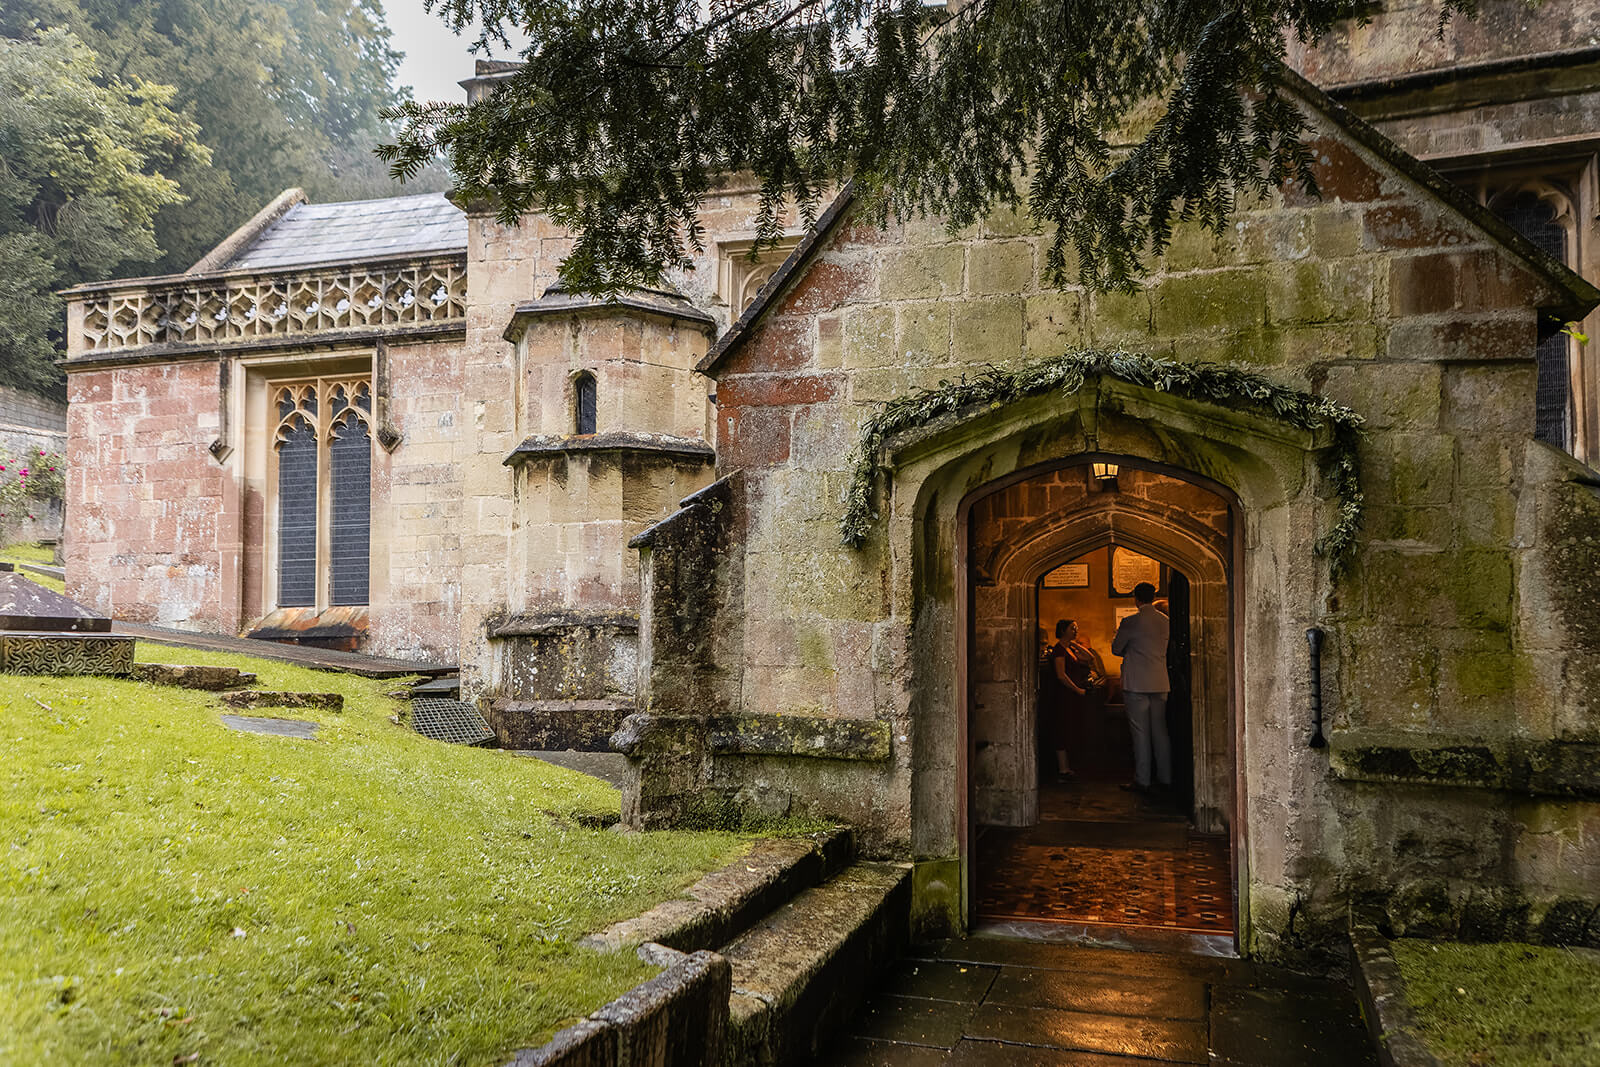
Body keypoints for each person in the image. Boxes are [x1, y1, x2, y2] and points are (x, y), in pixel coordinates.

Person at [1111, 581, 1172, 794]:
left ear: (1136, 598)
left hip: (1136, 683)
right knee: (1160, 732)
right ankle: (1166, 777)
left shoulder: (1130, 621)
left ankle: (1143, 779)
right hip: (1160, 681)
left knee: (1140, 733)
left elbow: (1116, 649)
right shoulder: (1165, 621)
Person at [1043, 618, 1096, 782]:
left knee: (1071, 726)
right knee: (1063, 728)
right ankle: (1063, 769)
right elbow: (1061, 675)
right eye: (1072, 628)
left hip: (1071, 694)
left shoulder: (1070, 648)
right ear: (1063, 630)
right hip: (1065, 694)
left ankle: (1068, 767)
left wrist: (1073, 644)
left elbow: (1089, 658)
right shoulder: (1059, 650)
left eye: (1076, 628)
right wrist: (1077, 689)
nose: (1076, 631)